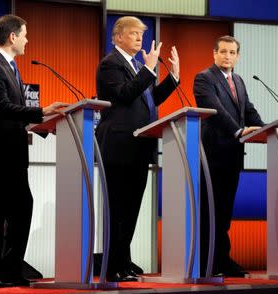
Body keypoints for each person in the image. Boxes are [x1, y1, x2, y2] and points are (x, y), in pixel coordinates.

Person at [0, 14, 67, 288]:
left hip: (12, 154)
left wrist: (45, 125)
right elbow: (1, 108)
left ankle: (10, 269)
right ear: (12, 37)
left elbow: (14, 115)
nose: (27, 40)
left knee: (22, 209)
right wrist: (42, 111)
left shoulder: (9, 66)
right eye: (24, 34)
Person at [95, 16, 180, 282]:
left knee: (131, 208)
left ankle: (124, 261)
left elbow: (149, 98)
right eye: (133, 34)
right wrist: (149, 69)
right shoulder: (110, 64)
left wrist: (173, 78)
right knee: (118, 208)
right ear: (117, 36)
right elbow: (124, 94)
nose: (138, 39)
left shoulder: (135, 65)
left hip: (140, 146)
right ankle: (113, 265)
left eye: (141, 35)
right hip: (119, 146)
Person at [193, 35, 264, 277]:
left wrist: (266, 129)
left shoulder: (239, 80)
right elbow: (216, 111)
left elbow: (248, 109)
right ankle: (206, 262)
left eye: (232, 52)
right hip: (212, 153)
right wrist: (239, 130)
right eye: (223, 51)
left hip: (233, 154)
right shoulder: (204, 78)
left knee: (224, 211)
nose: (227, 56)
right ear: (214, 53)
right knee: (209, 210)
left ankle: (221, 259)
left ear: (238, 56)